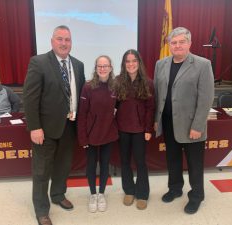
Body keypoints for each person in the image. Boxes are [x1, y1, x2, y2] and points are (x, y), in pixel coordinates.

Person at [23, 25, 85, 225]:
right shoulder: (39, 62)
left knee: (63, 166)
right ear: (52, 41)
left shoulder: (78, 64)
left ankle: (58, 194)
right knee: (41, 170)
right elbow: (30, 98)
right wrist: (34, 127)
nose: (64, 43)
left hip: (70, 126)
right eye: (60, 39)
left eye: (67, 39)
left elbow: (79, 95)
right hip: (45, 129)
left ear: (71, 42)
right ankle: (41, 209)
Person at [154, 27, 214, 214]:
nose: (177, 45)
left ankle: (196, 195)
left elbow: (206, 98)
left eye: (181, 42)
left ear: (189, 43)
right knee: (172, 159)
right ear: (169, 45)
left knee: (195, 164)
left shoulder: (203, 64)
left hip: (192, 126)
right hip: (169, 122)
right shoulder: (161, 64)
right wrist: (157, 120)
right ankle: (175, 189)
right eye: (174, 42)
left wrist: (198, 125)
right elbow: (158, 94)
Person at [114, 49, 155, 210]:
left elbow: (151, 108)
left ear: (139, 63)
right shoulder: (117, 82)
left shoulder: (148, 82)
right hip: (122, 129)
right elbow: (113, 107)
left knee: (140, 162)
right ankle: (129, 191)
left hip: (140, 130)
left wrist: (148, 130)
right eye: (128, 61)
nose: (131, 64)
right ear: (124, 64)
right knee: (124, 162)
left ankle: (143, 193)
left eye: (134, 61)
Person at [77, 55, 118, 213]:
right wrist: (83, 138)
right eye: (99, 66)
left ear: (110, 68)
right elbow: (82, 114)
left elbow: (119, 107)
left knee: (105, 165)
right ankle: (93, 194)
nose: (102, 68)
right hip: (91, 135)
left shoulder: (115, 86)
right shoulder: (87, 87)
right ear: (95, 68)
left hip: (108, 134)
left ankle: (102, 193)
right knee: (92, 166)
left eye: (105, 66)